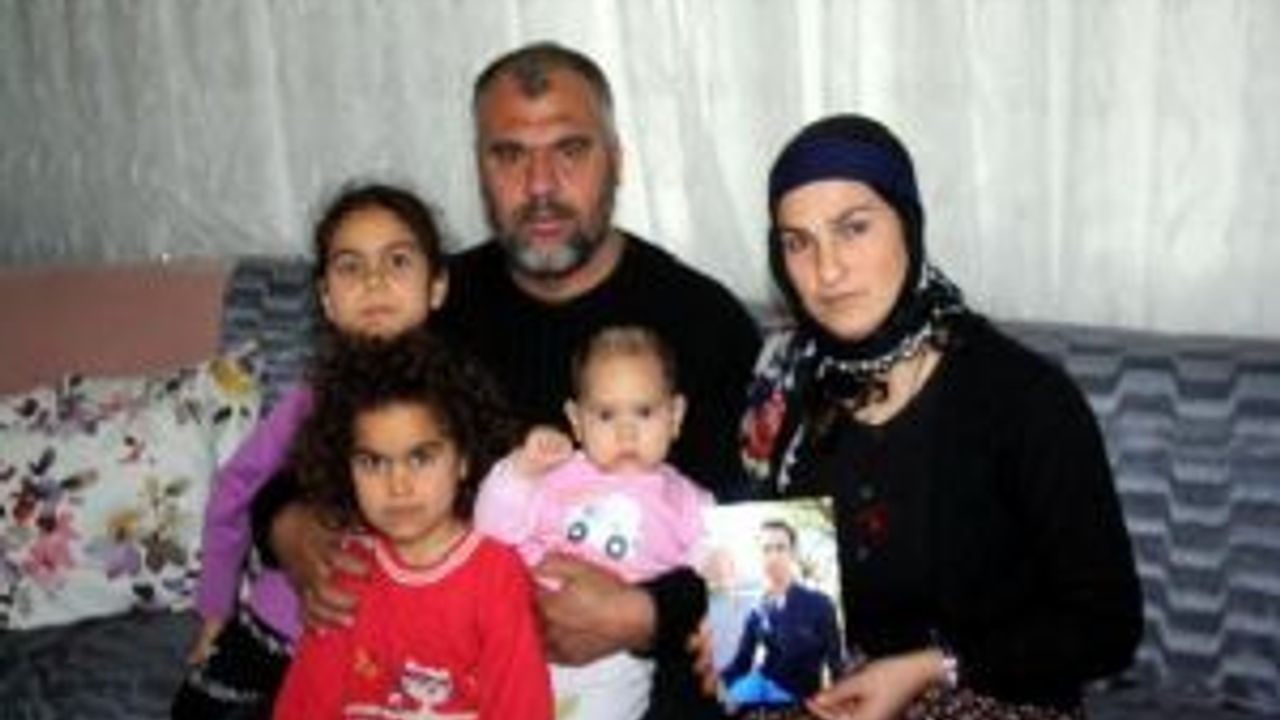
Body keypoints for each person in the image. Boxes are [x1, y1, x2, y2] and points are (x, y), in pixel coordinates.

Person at [258, 41, 761, 720]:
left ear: (617, 161)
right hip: (442, 668)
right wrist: (292, 531)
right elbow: (300, 465)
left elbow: (760, 552)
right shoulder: (428, 304)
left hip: (645, 671)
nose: (541, 184)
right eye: (509, 154)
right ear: (480, 169)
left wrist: (642, 614)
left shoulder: (705, 322)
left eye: (570, 149)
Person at [739, 114, 1142, 719]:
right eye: (798, 242)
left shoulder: (1023, 400)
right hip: (832, 692)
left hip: (997, 696)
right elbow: (772, 573)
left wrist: (932, 668)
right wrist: (745, 638)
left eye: (854, 228)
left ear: (908, 224)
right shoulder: (784, 382)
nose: (827, 270)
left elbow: (1107, 627)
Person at [172, 183, 450, 718]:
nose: (373, 281)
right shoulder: (310, 402)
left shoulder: (459, 404)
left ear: (436, 285)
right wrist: (214, 611)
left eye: (397, 261)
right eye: (350, 266)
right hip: (283, 625)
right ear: (325, 298)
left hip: (396, 648)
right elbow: (235, 487)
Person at [273, 331, 551, 719]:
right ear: (345, 467)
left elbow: (521, 708)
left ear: (464, 459)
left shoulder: (496, 574)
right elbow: (305, 704)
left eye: (420, 458)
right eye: (373, 462)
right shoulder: (347, 568)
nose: (398, 486)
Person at [474, 325, 714, 720]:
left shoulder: (689, 502)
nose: (626, 432)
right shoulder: (555, 472)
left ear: (675, 415)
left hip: (615, 659)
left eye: (644, 412)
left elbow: (714, 578)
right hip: (521, 636)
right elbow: (491, 529)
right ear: (576, 420)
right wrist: (521, 471)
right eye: (605, 414)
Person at [719, 519, 845, 710]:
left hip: (797, 697)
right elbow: (741, 662)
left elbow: (836, 663)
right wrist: (715, 683)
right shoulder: (756, 610)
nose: (773, 556)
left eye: (780, 548)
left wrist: (839, 703)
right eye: (766, 549)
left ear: (792, 553)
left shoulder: (820, 604)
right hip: (758, 685)